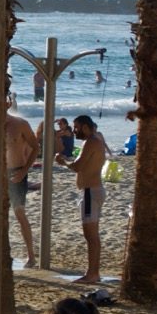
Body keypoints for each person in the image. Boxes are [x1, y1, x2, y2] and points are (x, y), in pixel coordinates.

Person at [56, 115, 107, 284]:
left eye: (76, 127)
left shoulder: (91, 142)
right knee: (92, 235)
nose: (74, 131)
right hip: (93, 190)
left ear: (85, 127)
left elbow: (78, 166)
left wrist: (63, 162)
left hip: (89, 192)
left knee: (90, 236)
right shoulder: (97, 139)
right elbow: (82, 163)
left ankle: (92, 273)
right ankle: (93, 272)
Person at [6, 105, 40, 268]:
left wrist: (24, 171)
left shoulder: (20, 124)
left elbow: (35, 147)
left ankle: (31, 255)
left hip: (17, 171)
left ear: (6, 104)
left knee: (19, 212)